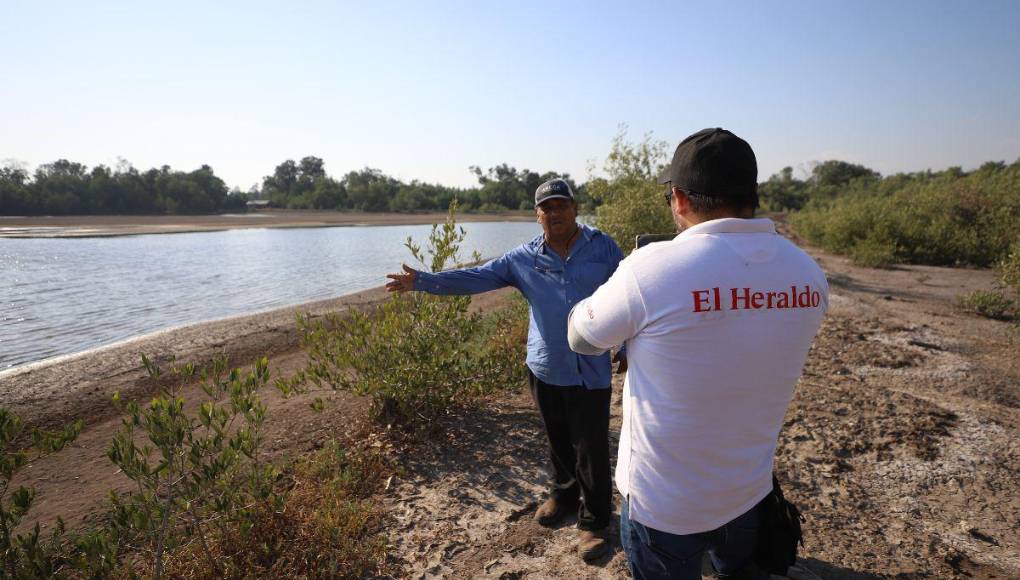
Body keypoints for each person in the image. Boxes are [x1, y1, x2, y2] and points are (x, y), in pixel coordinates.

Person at [567, 128, 828, 579]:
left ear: (680, 199)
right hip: (748, 490)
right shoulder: (808, 274)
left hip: (663, 506)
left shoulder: (651, 269)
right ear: (752, 195)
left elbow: (582, 337)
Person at [385, 178, 626, 562]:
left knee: (591, 446)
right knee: (557, 438)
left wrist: (627, 344)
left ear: (575, 209)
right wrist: (423, 282)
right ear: (537, 215)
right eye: (547, 207)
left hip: (590, 366)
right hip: (545, 365)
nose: (555, 213)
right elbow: (475, 277)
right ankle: (563, 496)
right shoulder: (522, 258)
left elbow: (628, 294)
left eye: (561, 205)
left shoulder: (604, 247)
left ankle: (595, 523)